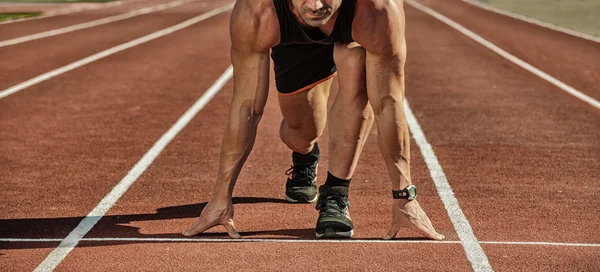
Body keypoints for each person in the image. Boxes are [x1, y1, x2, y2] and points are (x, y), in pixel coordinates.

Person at [183, 0, 444, 240]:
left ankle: (335, 194)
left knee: (359, 68)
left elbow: (388, 103)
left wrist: (404, 197)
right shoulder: (259, 10)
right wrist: (220, 197)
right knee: (300, 133)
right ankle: (306, 154)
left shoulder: (376, 10)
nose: (317, 5)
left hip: (353, 32)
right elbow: (247, 107)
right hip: (295, 43)